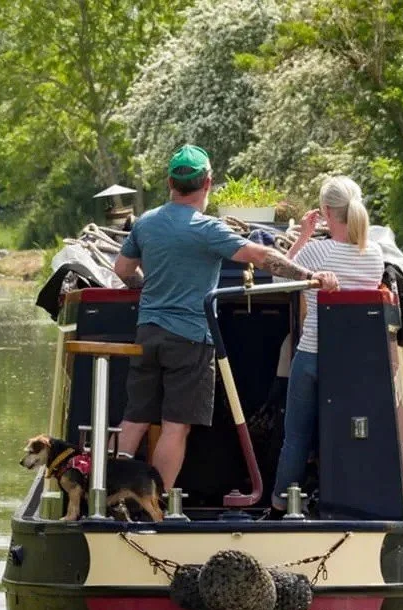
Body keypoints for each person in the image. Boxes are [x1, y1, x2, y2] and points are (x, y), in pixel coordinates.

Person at [111, 144, 339, 494]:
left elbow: (123, 270)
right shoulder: (207, 229)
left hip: (148, 333)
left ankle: (111, 492)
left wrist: (148, 290)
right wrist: (311, 275)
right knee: (175, 426)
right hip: (190, 339)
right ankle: (151, 506)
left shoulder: (146, 223)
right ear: (208, 183)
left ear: (170, 182)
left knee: (135, 417)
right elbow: (260, 256)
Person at [268, 176, 387, 516]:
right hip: (353, 362)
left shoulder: (316, 251)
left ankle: (281, 500)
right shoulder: (375, 255)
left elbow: (277, 277)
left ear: (324, 213)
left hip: (312, 357)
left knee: (296, 435)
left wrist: (304, 234)